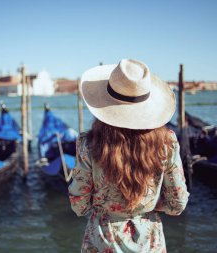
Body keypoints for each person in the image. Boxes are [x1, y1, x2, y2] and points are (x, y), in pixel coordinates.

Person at [69, 59, 189, 253]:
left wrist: (108, 206)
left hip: (102, 239)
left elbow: (79, 205)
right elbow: (178, 204)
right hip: (150, 241)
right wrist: (147, 204)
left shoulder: (88, 144)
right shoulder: (168, 142)